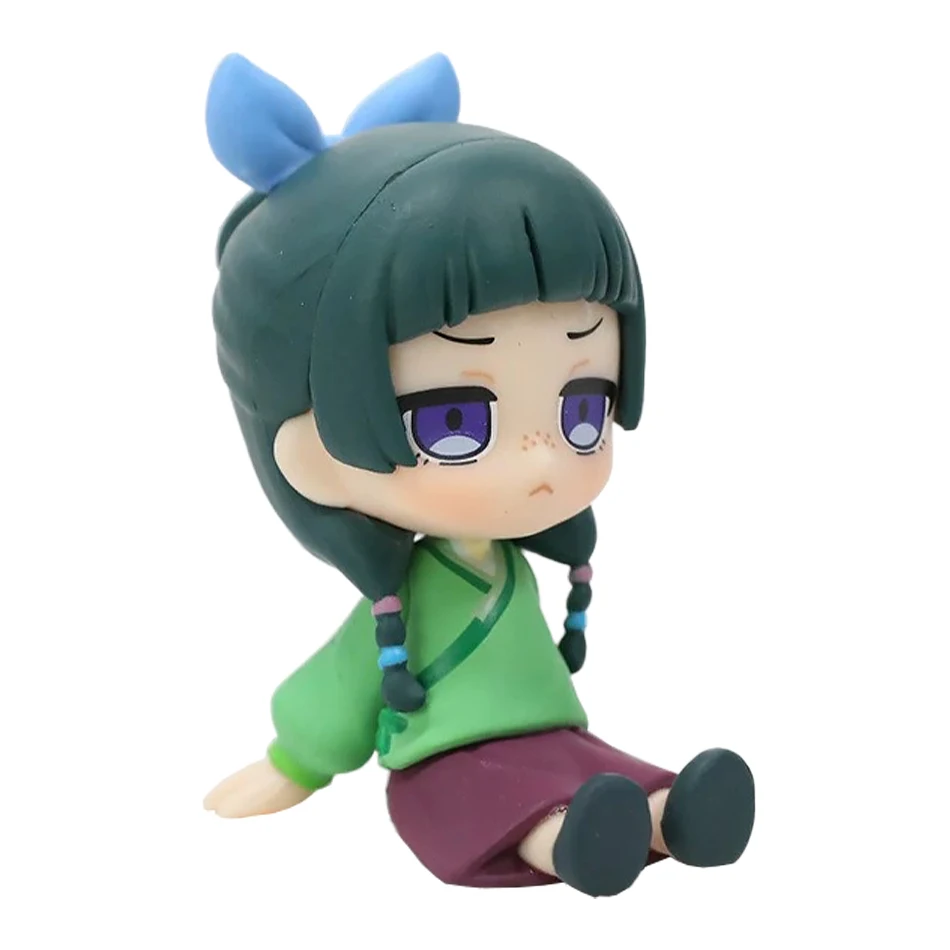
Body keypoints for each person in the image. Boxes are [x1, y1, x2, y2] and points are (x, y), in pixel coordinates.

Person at [202, 51, 755, 897]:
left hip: (555, 736)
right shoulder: (406, 597)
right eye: (455, 420)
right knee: (493, 801)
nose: (542, 458)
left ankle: (667, 813)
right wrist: (293, 763)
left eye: (583, 409)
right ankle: (570, 843)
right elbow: (344, 686)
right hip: (445, 758)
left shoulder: (516, 565)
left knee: (600, 768)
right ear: (308, 450)